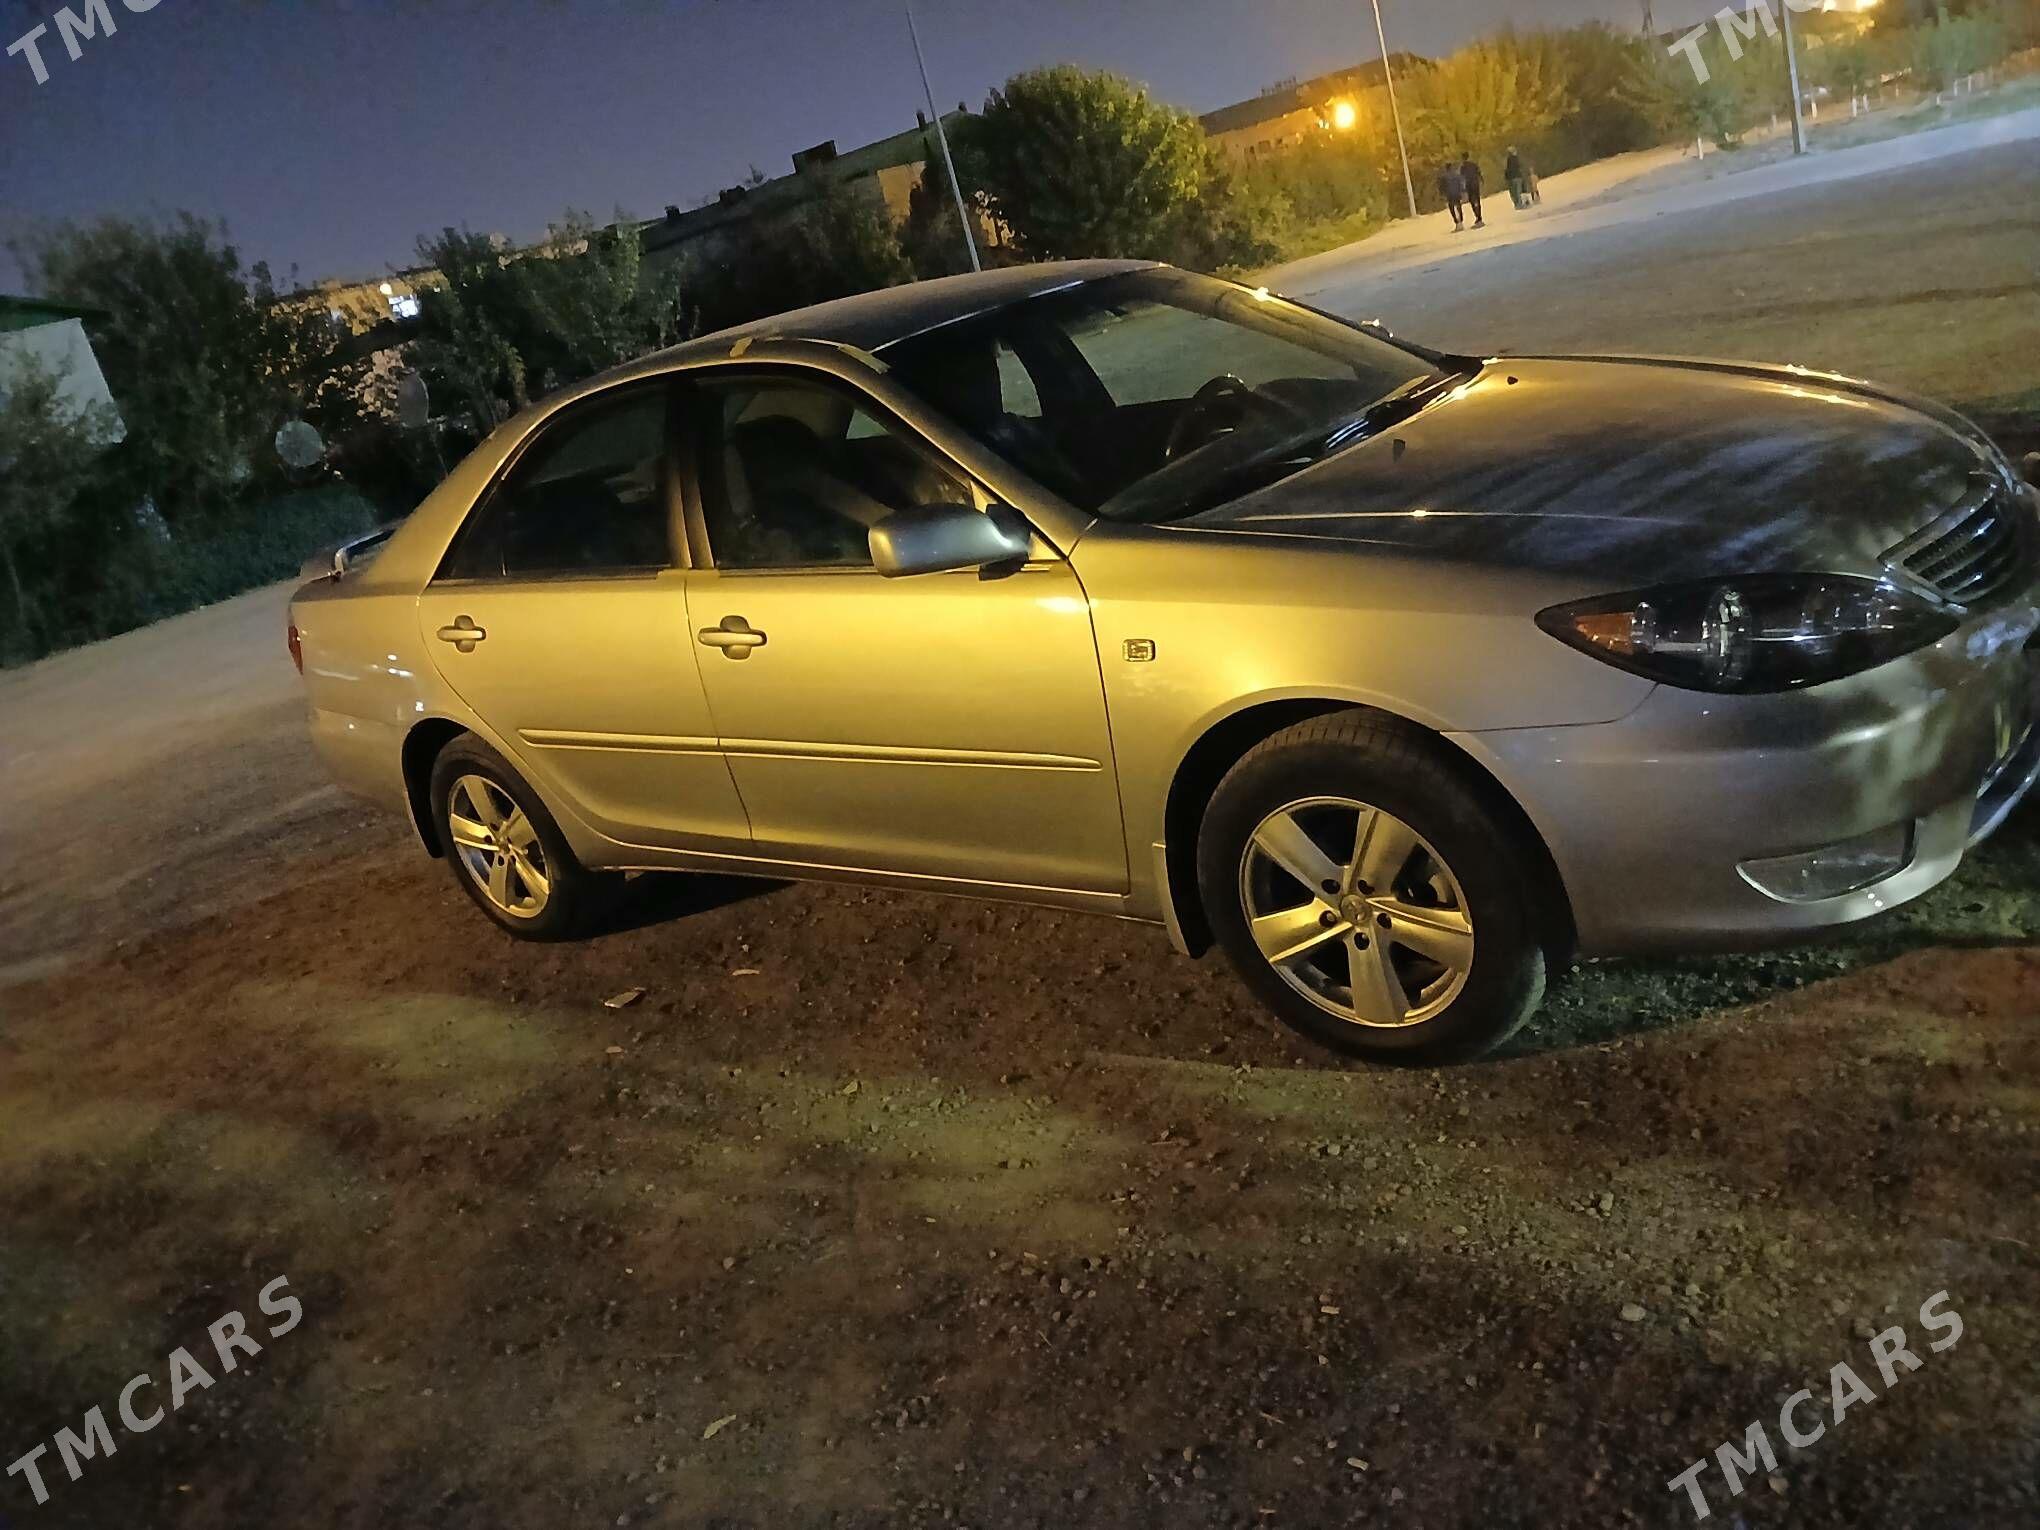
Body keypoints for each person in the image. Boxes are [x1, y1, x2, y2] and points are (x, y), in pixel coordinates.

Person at [1435, 161, 1465, 232]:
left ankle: (1457, 223)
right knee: (1459, 207)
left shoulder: (1444, 177)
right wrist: (1462, 192)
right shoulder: (1456, 175)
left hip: (1449, 195)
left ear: (1446, 168)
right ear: (1451, 167)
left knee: (1452, 209)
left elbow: (1442, 187)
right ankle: (1461, 222)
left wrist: (1442, 195)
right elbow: (1460, 183)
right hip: (1457, 194)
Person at [1459, 151, 1485, 229]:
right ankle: (1479, 217)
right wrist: (1481, 181)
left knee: (1472, 202)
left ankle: (1477, 217)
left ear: (1463, 158)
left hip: (1469, 186)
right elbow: (1479, 173)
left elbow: (1462, 178)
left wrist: (1463, 189)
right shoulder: (1473, 164)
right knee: (1477, 200)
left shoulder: (1463, 167)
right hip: (1475, 184)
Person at [1504, 146, 1527, 210]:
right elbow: (1520, 166)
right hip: (1517, 176)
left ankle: (1517, 204)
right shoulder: (1516, 159)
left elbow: (1507, 169)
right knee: (1518, 191)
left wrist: (1507, 177)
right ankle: (1520, 204)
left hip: (1512, 178)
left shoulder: (1508, 160)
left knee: (1515, 192)